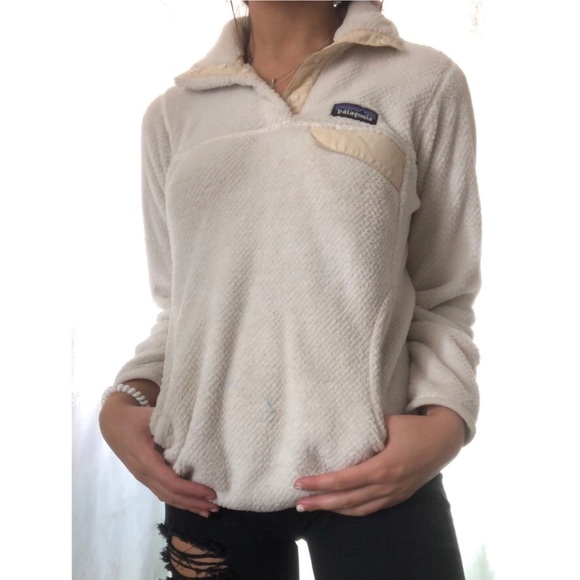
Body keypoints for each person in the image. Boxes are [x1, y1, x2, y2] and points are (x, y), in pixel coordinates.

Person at [99, 1, 481, 578]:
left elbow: (442, 293)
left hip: (378, 473)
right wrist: (125, 398)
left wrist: (447, 422)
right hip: (205, 482)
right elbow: (181, 307)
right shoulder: (172, 116)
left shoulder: (424, 83)